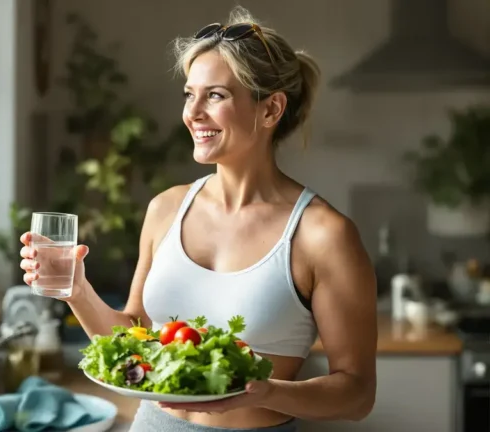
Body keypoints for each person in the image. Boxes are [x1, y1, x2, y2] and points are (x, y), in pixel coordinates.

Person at [20, 6, 377, 432]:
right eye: (190, 94)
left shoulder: (323, 235)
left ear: (270, 109)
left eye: (216, 95)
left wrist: (267, 391)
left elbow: (356, 393)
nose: (193, 113)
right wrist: (77, 290)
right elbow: (133, 338)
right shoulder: (166, 209)